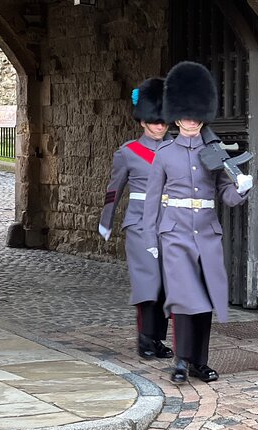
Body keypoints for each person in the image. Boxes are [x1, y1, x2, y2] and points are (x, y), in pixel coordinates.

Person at [142, 61, 253, 384]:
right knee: (183, 297)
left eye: (195, 115)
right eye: (186, 115)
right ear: (176, 116)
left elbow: (225, 196)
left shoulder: (214, 153)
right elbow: (152, 200)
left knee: (203, 301)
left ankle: (198, 362)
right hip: (174, 234)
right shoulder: (164, 154)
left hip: (206, 233)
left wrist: (241, 188)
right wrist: (150, 239)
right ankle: (180, 359)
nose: (191, 121)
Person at [98, 77, 174, 361]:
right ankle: (144, 337)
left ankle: (156, 339)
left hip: (170, 223)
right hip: (141, 223)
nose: (159, 126)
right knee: (148, 282)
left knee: (167, 285)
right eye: (154, 121)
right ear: (143, 121)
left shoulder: (176, 150)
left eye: (163, 121)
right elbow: (114, 189)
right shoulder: (128, 152)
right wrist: (107, 220)